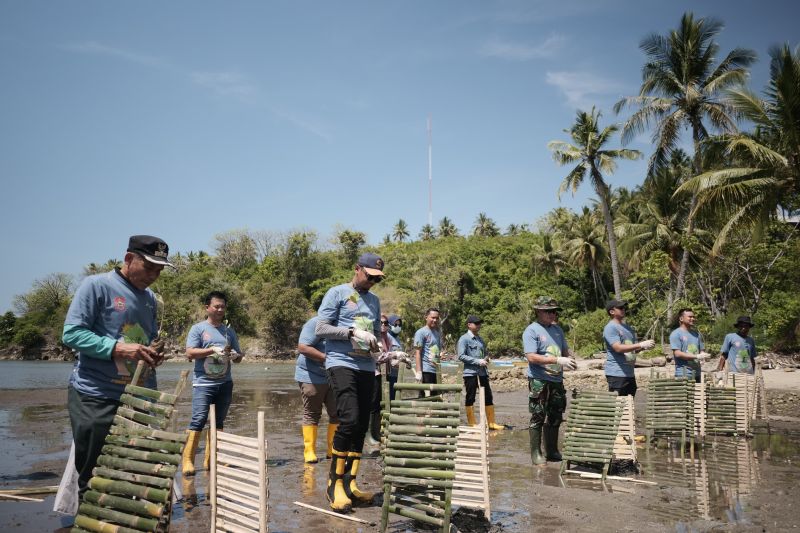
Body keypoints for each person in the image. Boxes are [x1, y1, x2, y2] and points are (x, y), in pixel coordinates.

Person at [63, 235, 171, 497]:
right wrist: (118, 348)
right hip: (96, 395)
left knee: (132, 470)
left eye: (159, 270)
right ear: (128, 259)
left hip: (137, 397)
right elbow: (72, 334)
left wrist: (150, 356)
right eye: (149, 267)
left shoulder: (150, 299)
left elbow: (139, 342)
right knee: (95, 472)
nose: (154, 275)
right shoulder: (96, 286)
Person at [315, 252, 384, 512]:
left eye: (377, 279)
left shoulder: (375, 301)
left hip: (366, 366)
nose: (372, 282)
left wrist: (382, 350)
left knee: (361, 425)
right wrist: (352, 332)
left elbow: (376, 334)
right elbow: (321, 329)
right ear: (357, 269)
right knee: (349, 420)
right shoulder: (337, 293)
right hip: (341, 363)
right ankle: (334, 485)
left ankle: (350, 484)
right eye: (369, 276)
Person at [181, 291, 244, 476]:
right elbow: (190, 353)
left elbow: (239, 357)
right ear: (207, 307)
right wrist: (210, 351)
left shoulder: (228, 331)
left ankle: (211, 459)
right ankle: (188, 460)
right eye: (216, 306)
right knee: (198, 419)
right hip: (203, 383)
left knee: (219, 422)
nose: (219, 309)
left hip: (225, 383)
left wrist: (236, 356)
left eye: (223, 306)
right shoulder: (198, 329)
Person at [522, 296, 576, 465]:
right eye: (549, 311)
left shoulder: (558, 330)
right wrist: (556, 360)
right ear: (538, 312)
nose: (553, 314)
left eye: (554, 311)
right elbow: (531, 357)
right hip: (539, 379)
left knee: (556, 415)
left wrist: (570, 360)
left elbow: (565, 351)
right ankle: (536, 453)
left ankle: (552, 450)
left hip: (557, 379)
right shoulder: (532, 330)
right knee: (538, 415)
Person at [296, 315, 338, 464]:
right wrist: (327, 358)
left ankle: (333, 451)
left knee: (337, 413)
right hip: (311, 375)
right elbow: (303, 347)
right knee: (312, 413)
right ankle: (310, 451)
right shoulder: (315, 323)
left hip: (334, 375)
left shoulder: (344, 324)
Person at [457, 315, 504, 430]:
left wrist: (486, 358)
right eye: (476, 323)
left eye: (479, 323)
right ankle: (472, 423)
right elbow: (461, 356)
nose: (479, 325)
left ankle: (491, 423)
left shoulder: (480, 339)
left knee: (488, 396)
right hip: (470, 373)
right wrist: (477, 361)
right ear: (469, 325)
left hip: (482, 372)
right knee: (470, 396)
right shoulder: (464, 339)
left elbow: (485, 354)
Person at [603, 299, 655, 396]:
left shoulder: (628, 328)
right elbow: (618, 348)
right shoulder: (610, 327)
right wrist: (641, 344)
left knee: (629, 406)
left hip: (629, 373)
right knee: (619, 407)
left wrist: (645, 347)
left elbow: (632, 349)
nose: (623, 309)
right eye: (620, 308)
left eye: (624, 308)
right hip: (617, 373)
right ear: (612, 312)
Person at [670, 308, 710, 383]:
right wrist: (696, 356)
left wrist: (703, 357)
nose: (693, 319)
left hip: (697, 373)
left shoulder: (696, 334)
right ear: (681, 318)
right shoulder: (676, 334)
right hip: (683, 374)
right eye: (690, 317)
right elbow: (677, 353)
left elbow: (701, 350)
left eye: (693, 317)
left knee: (698, 394)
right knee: (685, 395)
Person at [413, 308, 442, 395]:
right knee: (425, 397)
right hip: (426, 370)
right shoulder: (421, 332)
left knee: (435, 396)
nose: (435, 320)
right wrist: (419, 372)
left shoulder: (437, 333)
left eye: (437, 318)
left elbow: (433, 350)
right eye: (432, 317)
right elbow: (418, 353)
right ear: (426, 317)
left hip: (435, 370)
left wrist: (439, 355)